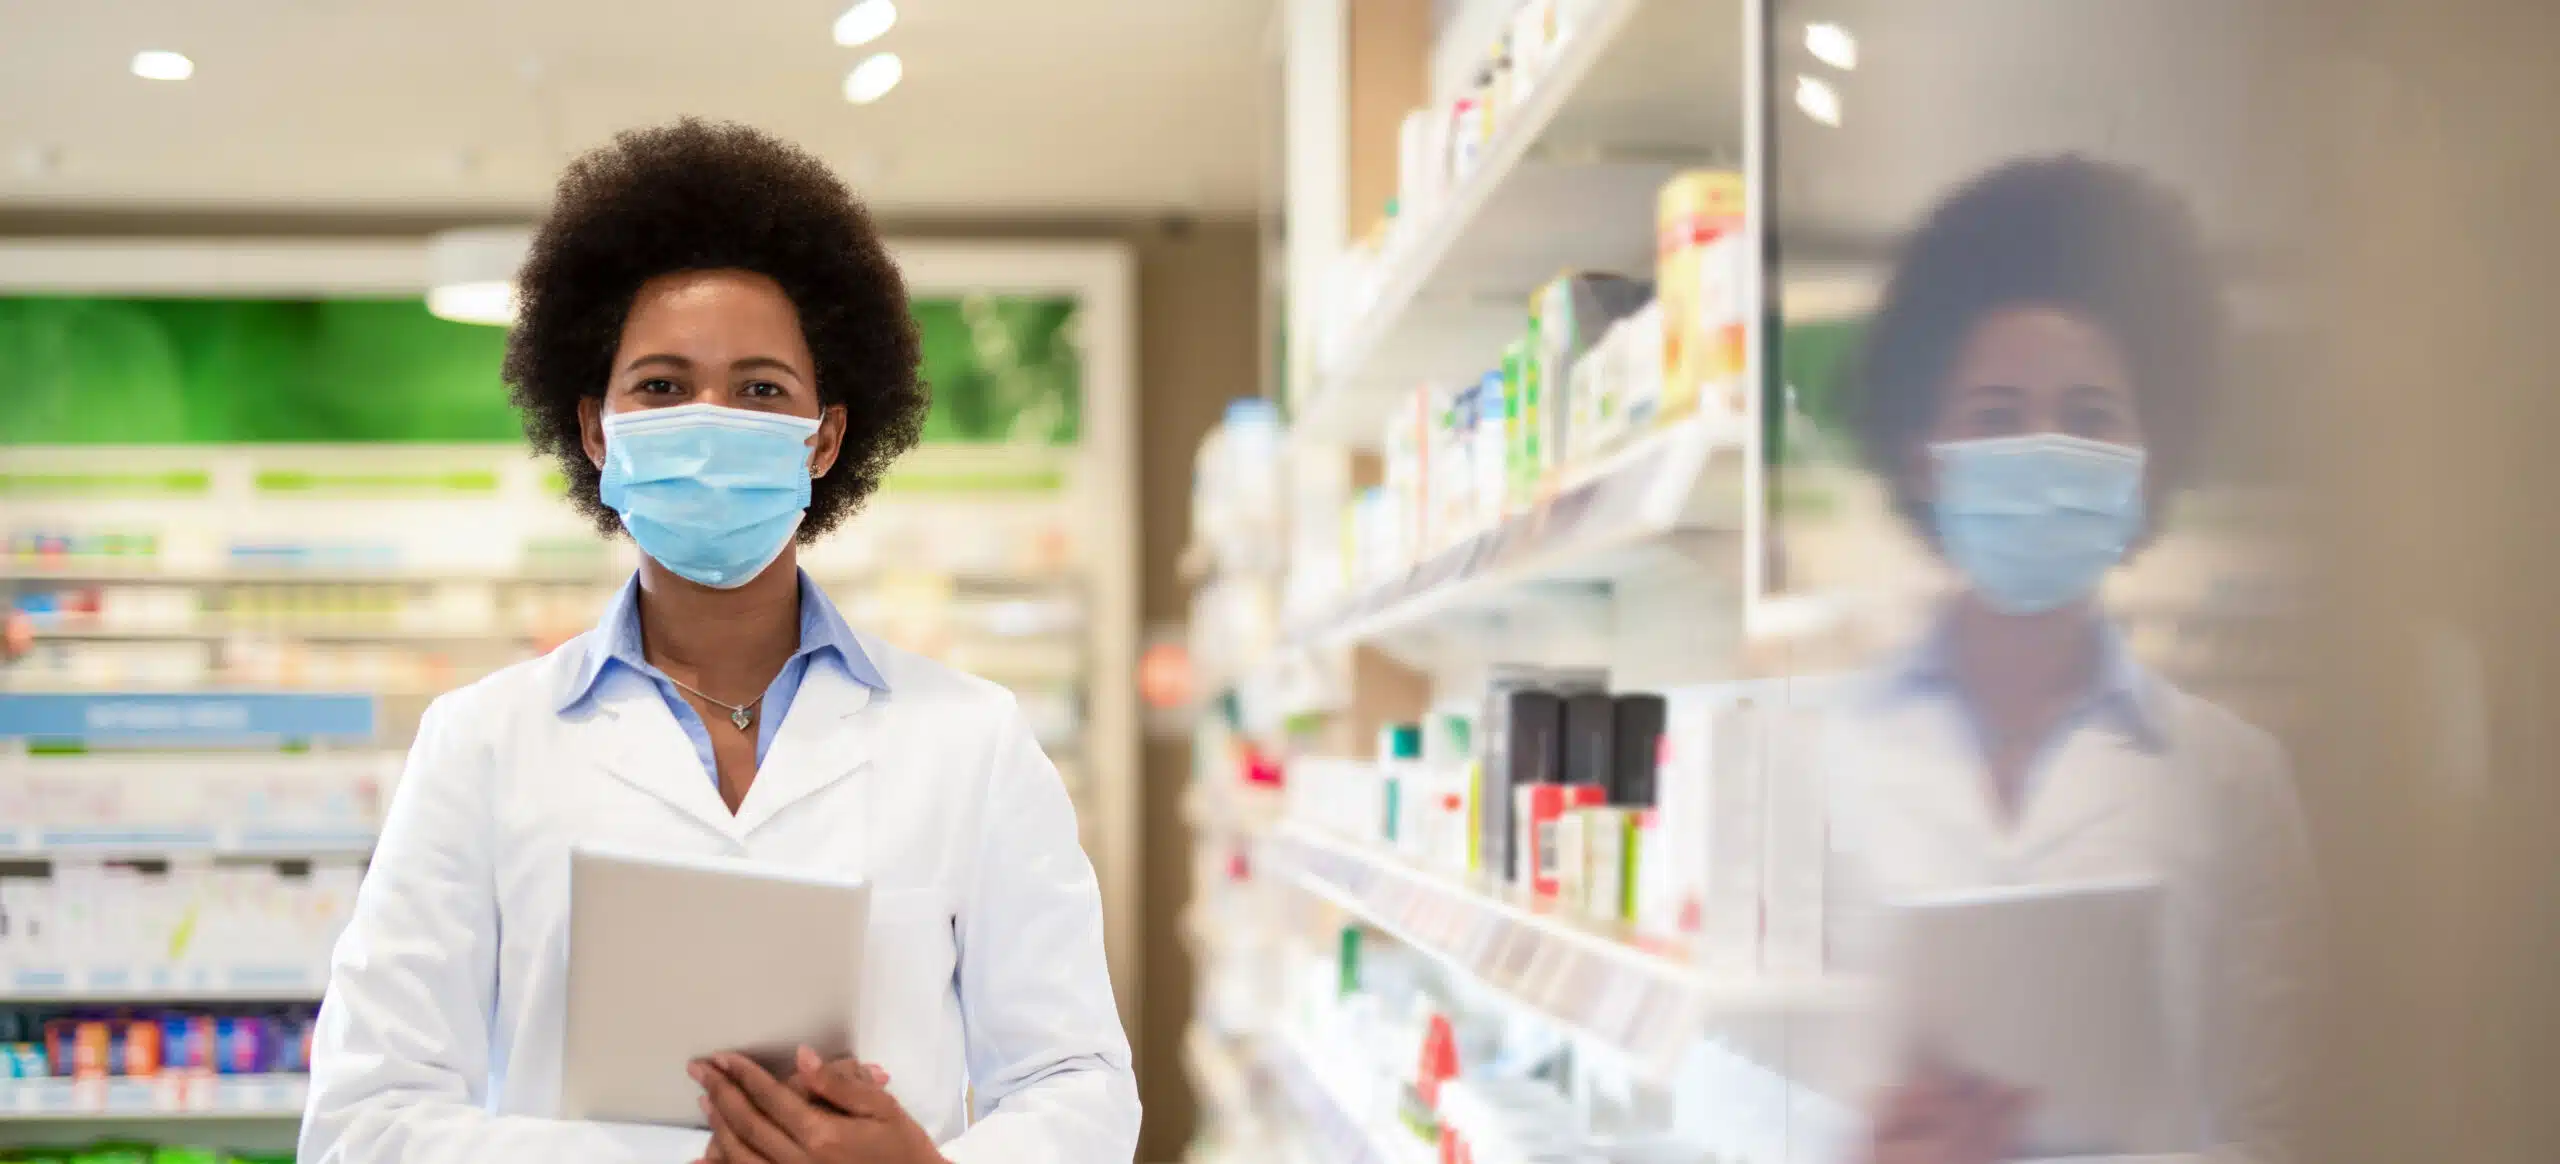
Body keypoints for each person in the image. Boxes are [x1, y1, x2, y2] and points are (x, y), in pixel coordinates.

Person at [299, 120, 1139, 1164]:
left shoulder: (972, 738)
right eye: (659, 385)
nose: (710, 420)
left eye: (759, 390)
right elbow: (365, 1119)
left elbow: (1079, 1084)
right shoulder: (480, 743)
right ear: (598, 430)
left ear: (824, 437)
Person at [1821, 156, 2315, 1164]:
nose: (2043, 455)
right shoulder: (1814, 753)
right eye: (1996, 417)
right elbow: (1734, 1094)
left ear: (2149, 460)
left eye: (2089, 418)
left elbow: (2279, 1123)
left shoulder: (2234, 780)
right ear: (1924, 454)